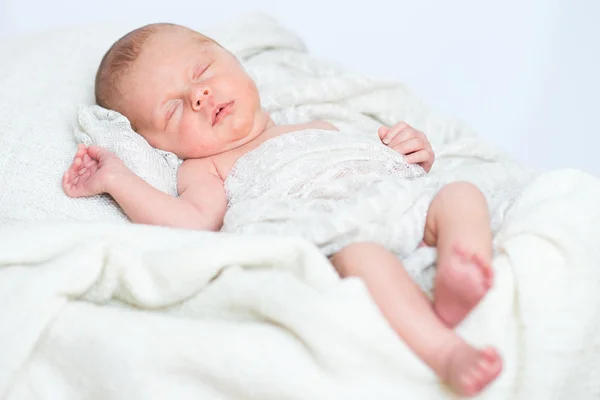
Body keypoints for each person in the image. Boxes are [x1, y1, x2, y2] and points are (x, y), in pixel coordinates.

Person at [63, 23, 501, 396]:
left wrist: (413, 152)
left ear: (235, 61)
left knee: (462, 193)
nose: (198, 96)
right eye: (173, 109)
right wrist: (117, 179)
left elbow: (381, 163)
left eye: (202, 71)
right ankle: (445, 351)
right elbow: (191, 222)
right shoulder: (206, 167)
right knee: (365, 258)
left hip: (395, 204)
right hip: (340, 234)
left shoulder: (315, 119)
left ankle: (461, 269)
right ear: (156, 144)